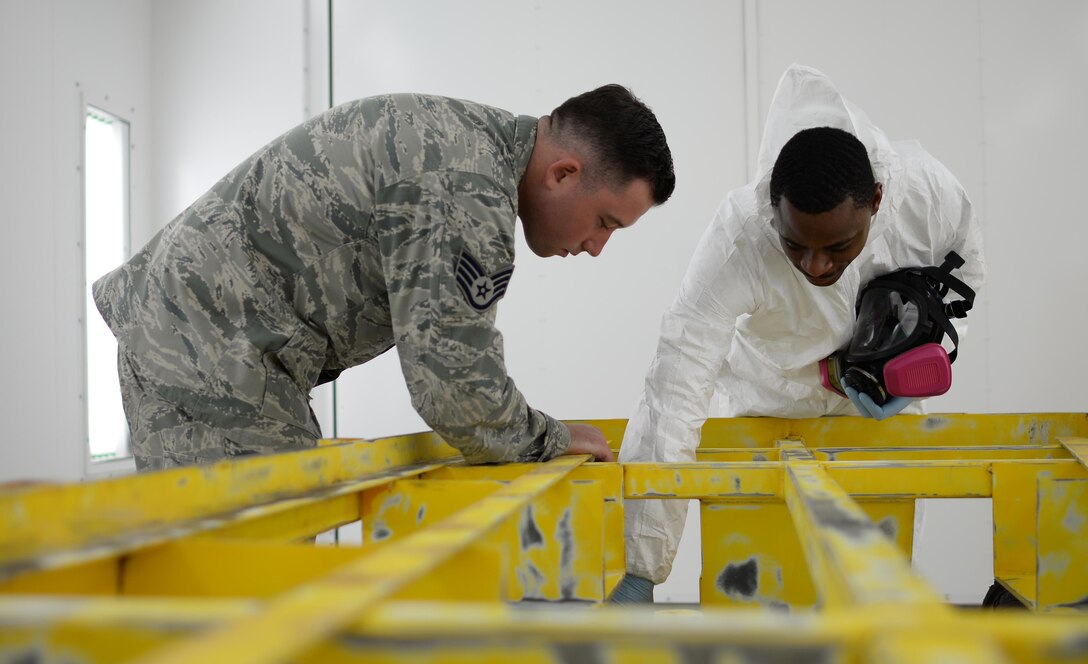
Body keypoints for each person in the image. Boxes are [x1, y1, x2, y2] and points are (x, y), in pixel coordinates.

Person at [93, 86, 675, 471]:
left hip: (196, 328)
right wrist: (549, 437)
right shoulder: (466, 183)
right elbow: (453, 387)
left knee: (236, 579)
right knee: (255, 580)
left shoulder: (469, 145)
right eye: (604, 222)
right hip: (210, 344)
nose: (597, 247)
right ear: (563, 172)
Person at [610, 64, 986, 603]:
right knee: (762, 596)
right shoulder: (739, 239)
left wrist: (918, 356)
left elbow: (965, 274)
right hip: (767, 412)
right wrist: (640, 565)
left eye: (837, 246)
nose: (814, 265)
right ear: (772, 211)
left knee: (869, 598)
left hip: (875, 417)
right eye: (795, 245)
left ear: (876, 201)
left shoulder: (926, 199)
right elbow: (675, 384)